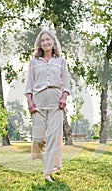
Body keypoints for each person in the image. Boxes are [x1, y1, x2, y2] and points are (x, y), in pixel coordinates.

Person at [25, 29, 71, 183]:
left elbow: (67, 84)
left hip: (56, 103)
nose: (45, 42)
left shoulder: (61, 61)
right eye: (42, 40)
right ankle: (48, 162)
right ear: (39, 44)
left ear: (53, 42)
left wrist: (64, 98)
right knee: (38, 138)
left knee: (53, 137)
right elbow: (29, 86)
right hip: (38, 102)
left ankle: (47, 171)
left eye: (48, 40)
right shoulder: (34, 62)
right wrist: (30, 102)